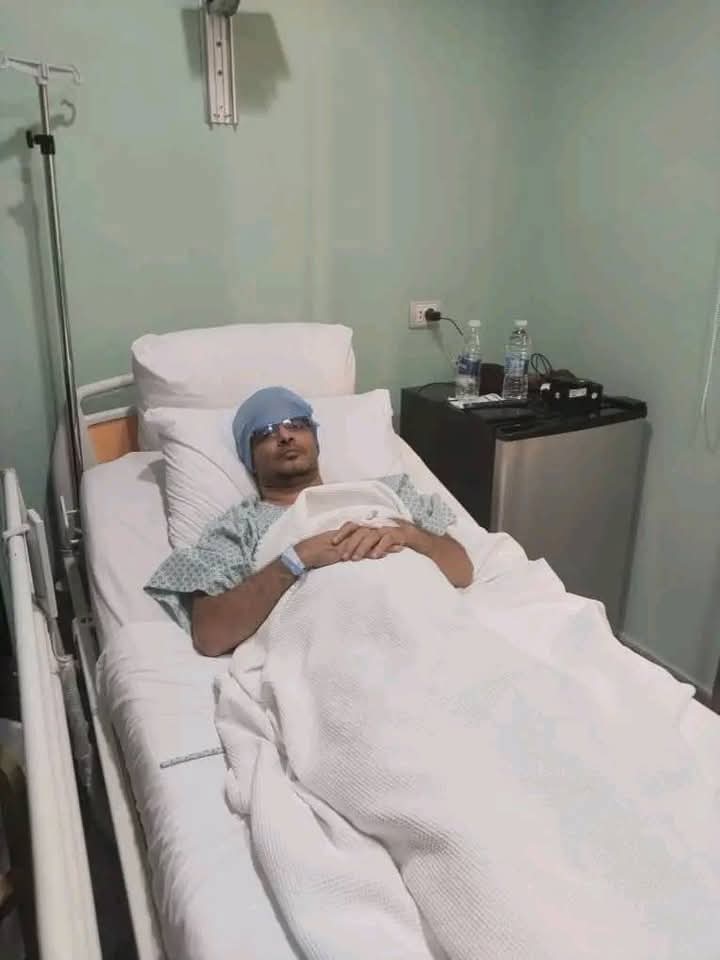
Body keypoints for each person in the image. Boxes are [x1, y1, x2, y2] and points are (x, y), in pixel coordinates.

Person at [146, 387, 472, 657]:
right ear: (250, 459)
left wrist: (410, 535)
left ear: (316, 440)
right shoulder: (239, 527)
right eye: (265, 433)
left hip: (431, 628)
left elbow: (463, 570)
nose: (284, 436)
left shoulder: (387, 492)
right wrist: (296, 558)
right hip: (338, 649)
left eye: (296, 424)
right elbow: (210, 635)